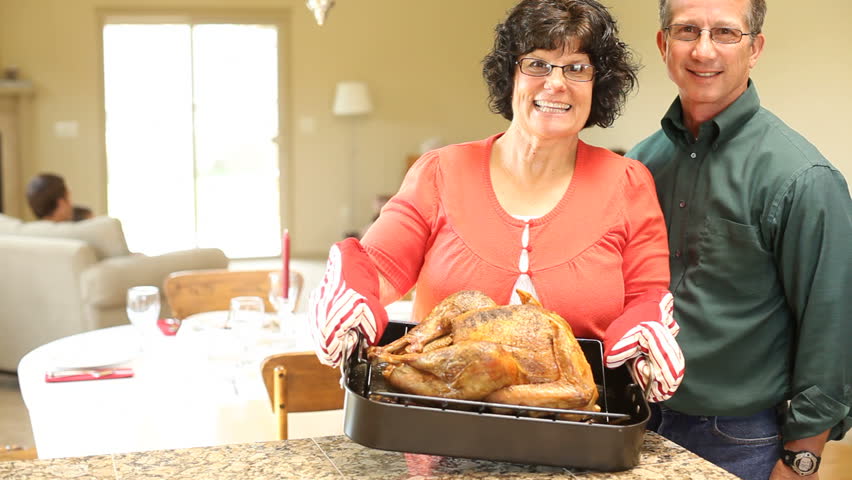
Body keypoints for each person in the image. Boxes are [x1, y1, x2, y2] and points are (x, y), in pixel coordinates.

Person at [310, 0, 685, 404]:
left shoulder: (628, 182)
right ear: (510, 76)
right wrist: (349, 303)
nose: (556, 83)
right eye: (537, 64)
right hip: (436, 435)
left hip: (581, 436)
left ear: (599, 85)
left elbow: (644, 297)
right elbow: (378, 266)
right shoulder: (440, 171)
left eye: (577, 67)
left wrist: (645, 339)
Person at [627, 1, 851, 479]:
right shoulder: (642, 164)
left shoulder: (803, 178)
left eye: (726, 33)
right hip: (635, 418)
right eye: (687, 30)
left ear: (755, 50)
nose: (704, 49)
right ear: (665, 44)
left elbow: (831, 331)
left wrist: (802, 460)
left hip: (736, 438)